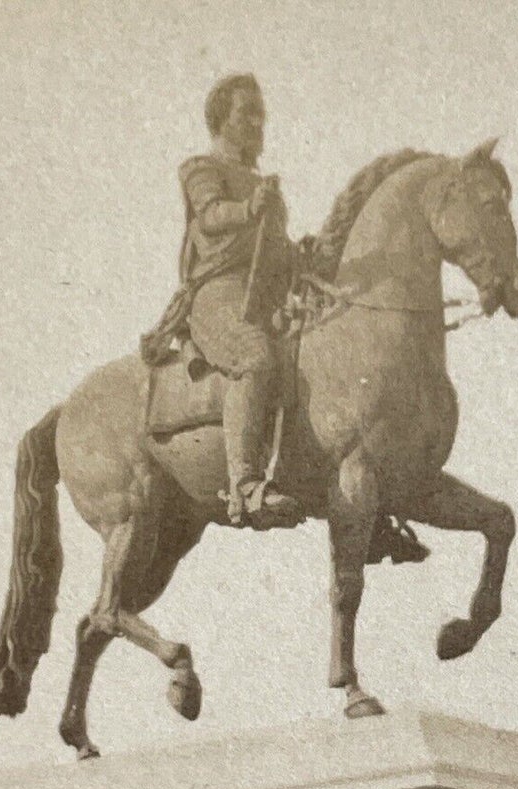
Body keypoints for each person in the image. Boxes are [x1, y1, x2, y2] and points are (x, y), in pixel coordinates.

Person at [151, 73, 297, 528]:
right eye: (246, 113)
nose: (257, 122)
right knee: (253, 358)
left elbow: (275, 250)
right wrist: (249, 209)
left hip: (265, 298)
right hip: (217, 297)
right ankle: (246, 486)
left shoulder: (261, 184)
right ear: (220, 119)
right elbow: (211, 216)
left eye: (261, 114)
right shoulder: (201, 168)